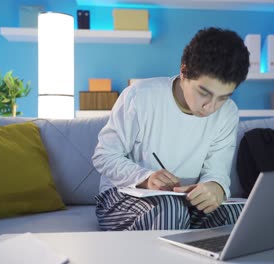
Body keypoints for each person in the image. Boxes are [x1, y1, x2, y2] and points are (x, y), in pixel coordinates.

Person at [92, 27, 250, 231]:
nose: (211, 107)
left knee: (239, 214)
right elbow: (104, 156)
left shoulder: (228, 113)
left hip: (185, 202)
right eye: (204, 92)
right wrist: (146, 178)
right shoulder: (139, 96)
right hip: (122, 196)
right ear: (184, 72)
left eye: (223, 97)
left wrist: (215, 187)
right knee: (171, 210)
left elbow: (217, 171)